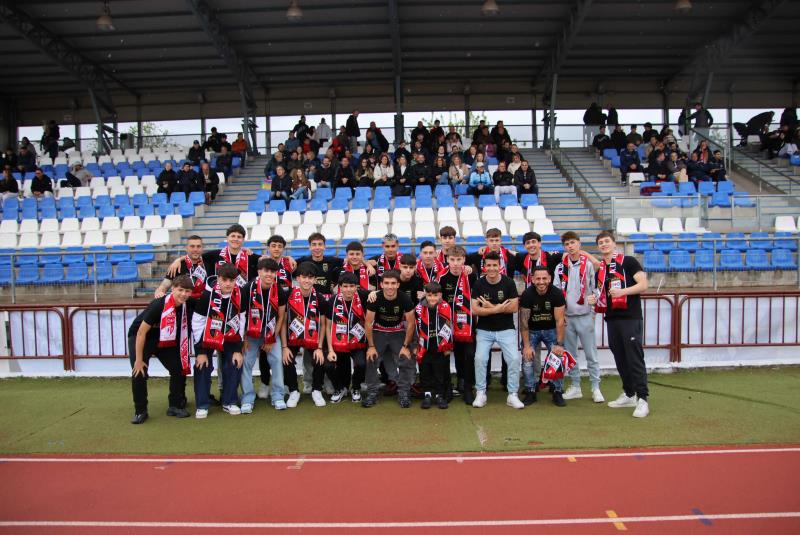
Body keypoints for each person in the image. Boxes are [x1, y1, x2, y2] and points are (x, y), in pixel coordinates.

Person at [590, 231, 650, 418]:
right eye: (600, 242)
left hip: (630, 317)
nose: (604, 244)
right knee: (620, 358)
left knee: (634, 357)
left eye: (606, 241)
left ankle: (643, 398)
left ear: (614, 243)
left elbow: (643, 285)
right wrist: (594, 299)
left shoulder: (628, 261)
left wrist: (623, 291)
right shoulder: (601, 270)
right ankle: (629, 393)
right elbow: (603, 295)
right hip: (612, 318)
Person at [129, 275, 196, 424]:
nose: (183, 294)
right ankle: (140, 411)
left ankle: (175, 405)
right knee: (139, 371)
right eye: (180, 290)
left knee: (178, 368)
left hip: (164, 338)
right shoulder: (158, 305)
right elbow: (141, 333)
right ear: (173, 289)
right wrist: (138, 360)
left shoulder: (188, 303)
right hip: (142, 337)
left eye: (187, 291)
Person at [470, 251, 524, 409]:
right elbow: (475, 310)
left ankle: (512, 394)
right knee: (480, 359)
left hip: (506, 329)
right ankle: (481, 392)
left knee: (513, 359)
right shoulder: (479, 284)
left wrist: (490, 307)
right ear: (484, 267)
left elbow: (513, 308)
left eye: (495, 265)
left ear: (499, 266)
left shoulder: (508, 282)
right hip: (484, 330)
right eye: (489, 265)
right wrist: (498, 308)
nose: (492, 268)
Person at [554, 232, 602, 403]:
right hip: (567, 317)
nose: (570, 246)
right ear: (564, 247)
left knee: (591, 354)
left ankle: (596, 387)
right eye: (567, 244)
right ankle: (575, 386)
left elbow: (597, 288)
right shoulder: (560, 267)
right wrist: (561, 315)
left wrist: (594, 301)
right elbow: (556, 292)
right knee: (571, 354)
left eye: (573, 243)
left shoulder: (588, 265)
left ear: (579, 244)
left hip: (585, 315)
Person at [191, 264, 244, 418]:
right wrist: (200, 351)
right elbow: (197, 323)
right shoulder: (207, 296)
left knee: (235, 362)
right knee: (202, 364)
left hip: (230, 336)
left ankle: (229, 401)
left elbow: (241, 322)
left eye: (231, 280)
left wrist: (238, 349)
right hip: (208, 335)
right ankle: (202, 405)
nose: (228, 283)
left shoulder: (240, 295)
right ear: (218, 279)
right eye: (224, 280)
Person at [240, 258, 289, 413]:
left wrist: (272, 338)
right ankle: (247, 398)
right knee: (246, 362)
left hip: (271, 333)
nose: (269, 274)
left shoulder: (279, 290)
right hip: (250, 333)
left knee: (277, 361)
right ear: (259, 272)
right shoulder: (247, 289)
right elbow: (241, 316)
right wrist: (244, 338)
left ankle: (278, 396)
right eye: (266, 271)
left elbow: (281, 317)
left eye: (272, 272)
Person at [282, 262, 333, 407]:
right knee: (286, 359)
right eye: (304, 277)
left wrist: (319, 347)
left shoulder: (320, 298)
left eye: (310, 278)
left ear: (315, 280)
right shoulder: (288, 295)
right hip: (293, 337)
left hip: (313, 337)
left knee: (320, 358)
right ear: (298, 278)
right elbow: (283, 322)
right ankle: (293, 391)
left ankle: (317, 390)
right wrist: (284, 347)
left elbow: (323, 325)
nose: (307, 281)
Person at [364, 270, 416, 408]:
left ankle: (404, 393)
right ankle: (372, 393)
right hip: (379, 331)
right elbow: (368, 323)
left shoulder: (404, 298)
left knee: (405, 358)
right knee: (371, 358)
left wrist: (405, 346)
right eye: (386, 283)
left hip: (397, 331)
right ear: (381, 284)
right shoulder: (375, 298)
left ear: (398, 284)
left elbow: (411, 323)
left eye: (393, 283)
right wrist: (371, 346)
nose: (390, 286)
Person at [519, 267, 567, 406]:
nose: (541, 282)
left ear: (550, 279)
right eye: (538, 279)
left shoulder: (557, 293)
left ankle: (557, 391)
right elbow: (524, 322)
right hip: (532, 330)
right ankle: (530, 390)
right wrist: (526, 346)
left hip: (551, 330)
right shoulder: (527, 294)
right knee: (527, 358)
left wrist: (559, 344)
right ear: (533, 279)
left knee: (558, 357)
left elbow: (560, 321)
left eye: (544, 278)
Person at [436, 246, 476, 404]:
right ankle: (447, 388)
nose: (456, 263)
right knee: (445, 355)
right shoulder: (441, 276)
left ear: (464, 260)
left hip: (467, 323)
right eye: (452, 260)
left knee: (468, 355)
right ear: (447, 260)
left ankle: (467, 386)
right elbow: (437, 299)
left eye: (459, 260)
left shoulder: (471, 275)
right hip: (447, 323)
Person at [323, 271, 370, 404]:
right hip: (338, 343)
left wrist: (374, 293)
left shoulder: (363, 297)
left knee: (361, 364)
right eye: (345, 286)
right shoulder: (332, 301)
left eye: (351, 286)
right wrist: (330, 350)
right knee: (328, 365)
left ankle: (356, 388)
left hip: (358, 342)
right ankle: (340, 389)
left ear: (356, 287)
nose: (348, 289)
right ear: (340, 287)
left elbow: (381, 293)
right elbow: (327, 327)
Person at [414, 282, 453, 409]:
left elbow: (448, 327)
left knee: (439, 372)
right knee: (425, 371)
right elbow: (415, 328)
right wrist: (415, 346)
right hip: (424, 345)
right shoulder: (419, 308)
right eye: (429, 295)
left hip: (439, 346)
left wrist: (447, 347)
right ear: (425, 294)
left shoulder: (445, 306)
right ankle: (427, 395)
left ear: (440, 295)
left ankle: (439, 395)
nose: (432, 298)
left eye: (435, 295)